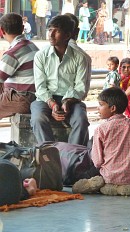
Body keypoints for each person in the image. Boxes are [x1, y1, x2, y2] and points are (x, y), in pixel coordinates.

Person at [72, 88, 130, 196]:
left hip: (109, 177)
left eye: (100, 105)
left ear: (112, 108)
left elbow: (98, 161)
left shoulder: (101, 129)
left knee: (96, 174)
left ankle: (103, 186)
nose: (97, 108)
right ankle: (123, 188)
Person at [30, 15, 90, 146]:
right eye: (50, 29)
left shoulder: (80, 57)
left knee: (81, 120)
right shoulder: (41, 56)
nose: (50, 34)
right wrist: (52, 104)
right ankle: (50, 153)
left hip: (71, 100)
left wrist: (66, 101)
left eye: (56, 31)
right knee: (37, 118)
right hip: (45, 99)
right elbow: (40, 87)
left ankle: (73, 155)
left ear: (68, 35)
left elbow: (80, 88)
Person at [0, 13, 39, 119]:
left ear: (2, 31)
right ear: (22, 28)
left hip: (22, 98)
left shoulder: (12, 53)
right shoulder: (31, 46)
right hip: (35, 95)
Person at [65, 13, 92, 99]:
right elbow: (83, 91)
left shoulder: (44, 54)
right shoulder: (85, 57)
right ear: (77, 31)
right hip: (74, 102)